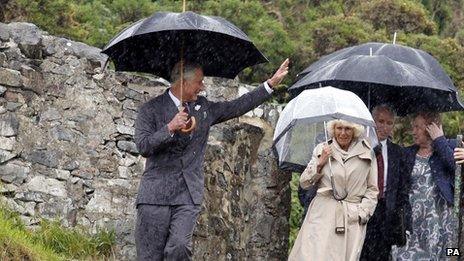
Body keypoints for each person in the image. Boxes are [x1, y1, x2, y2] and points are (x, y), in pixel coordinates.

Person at [133, 58, 289, 261]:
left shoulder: (204, 108)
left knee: (179, 248)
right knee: (149, 255)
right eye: (199, 81)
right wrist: (170, 127)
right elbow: (143, 146)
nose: (203, 86)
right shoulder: (150, 109)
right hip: (154, 195)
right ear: (184, 82)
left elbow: (237, 107)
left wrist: (270, 85)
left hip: (188, 194)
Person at [288, 119, 378, 261]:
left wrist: (362, 213)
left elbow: (372, 190)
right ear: (333, 129)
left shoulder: (367, 153)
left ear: (354, 131)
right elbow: (304, 183)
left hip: (351, 218)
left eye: (347, 129)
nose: (343, 133)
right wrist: (320, 163)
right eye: (339, 128)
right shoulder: (322, 149)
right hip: (322, 214)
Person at [392, 112, 457, 260]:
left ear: (431, 128)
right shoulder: (406, 153)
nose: (413, 131)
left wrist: (439, 140)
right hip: (411, 222)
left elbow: (456, 170)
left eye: (417, 127)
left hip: (441, 223)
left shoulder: (450, 146)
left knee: (450, 255)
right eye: (412, 127)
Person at [360, 105, 408, 260]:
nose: (384, 127)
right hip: (364, 206)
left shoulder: (398, 152)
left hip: (387, 210)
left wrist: (401, 214)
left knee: (383, 254)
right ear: (372, 122)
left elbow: (402, 186)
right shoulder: (361, 146)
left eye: (389, 123)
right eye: (380, 121)